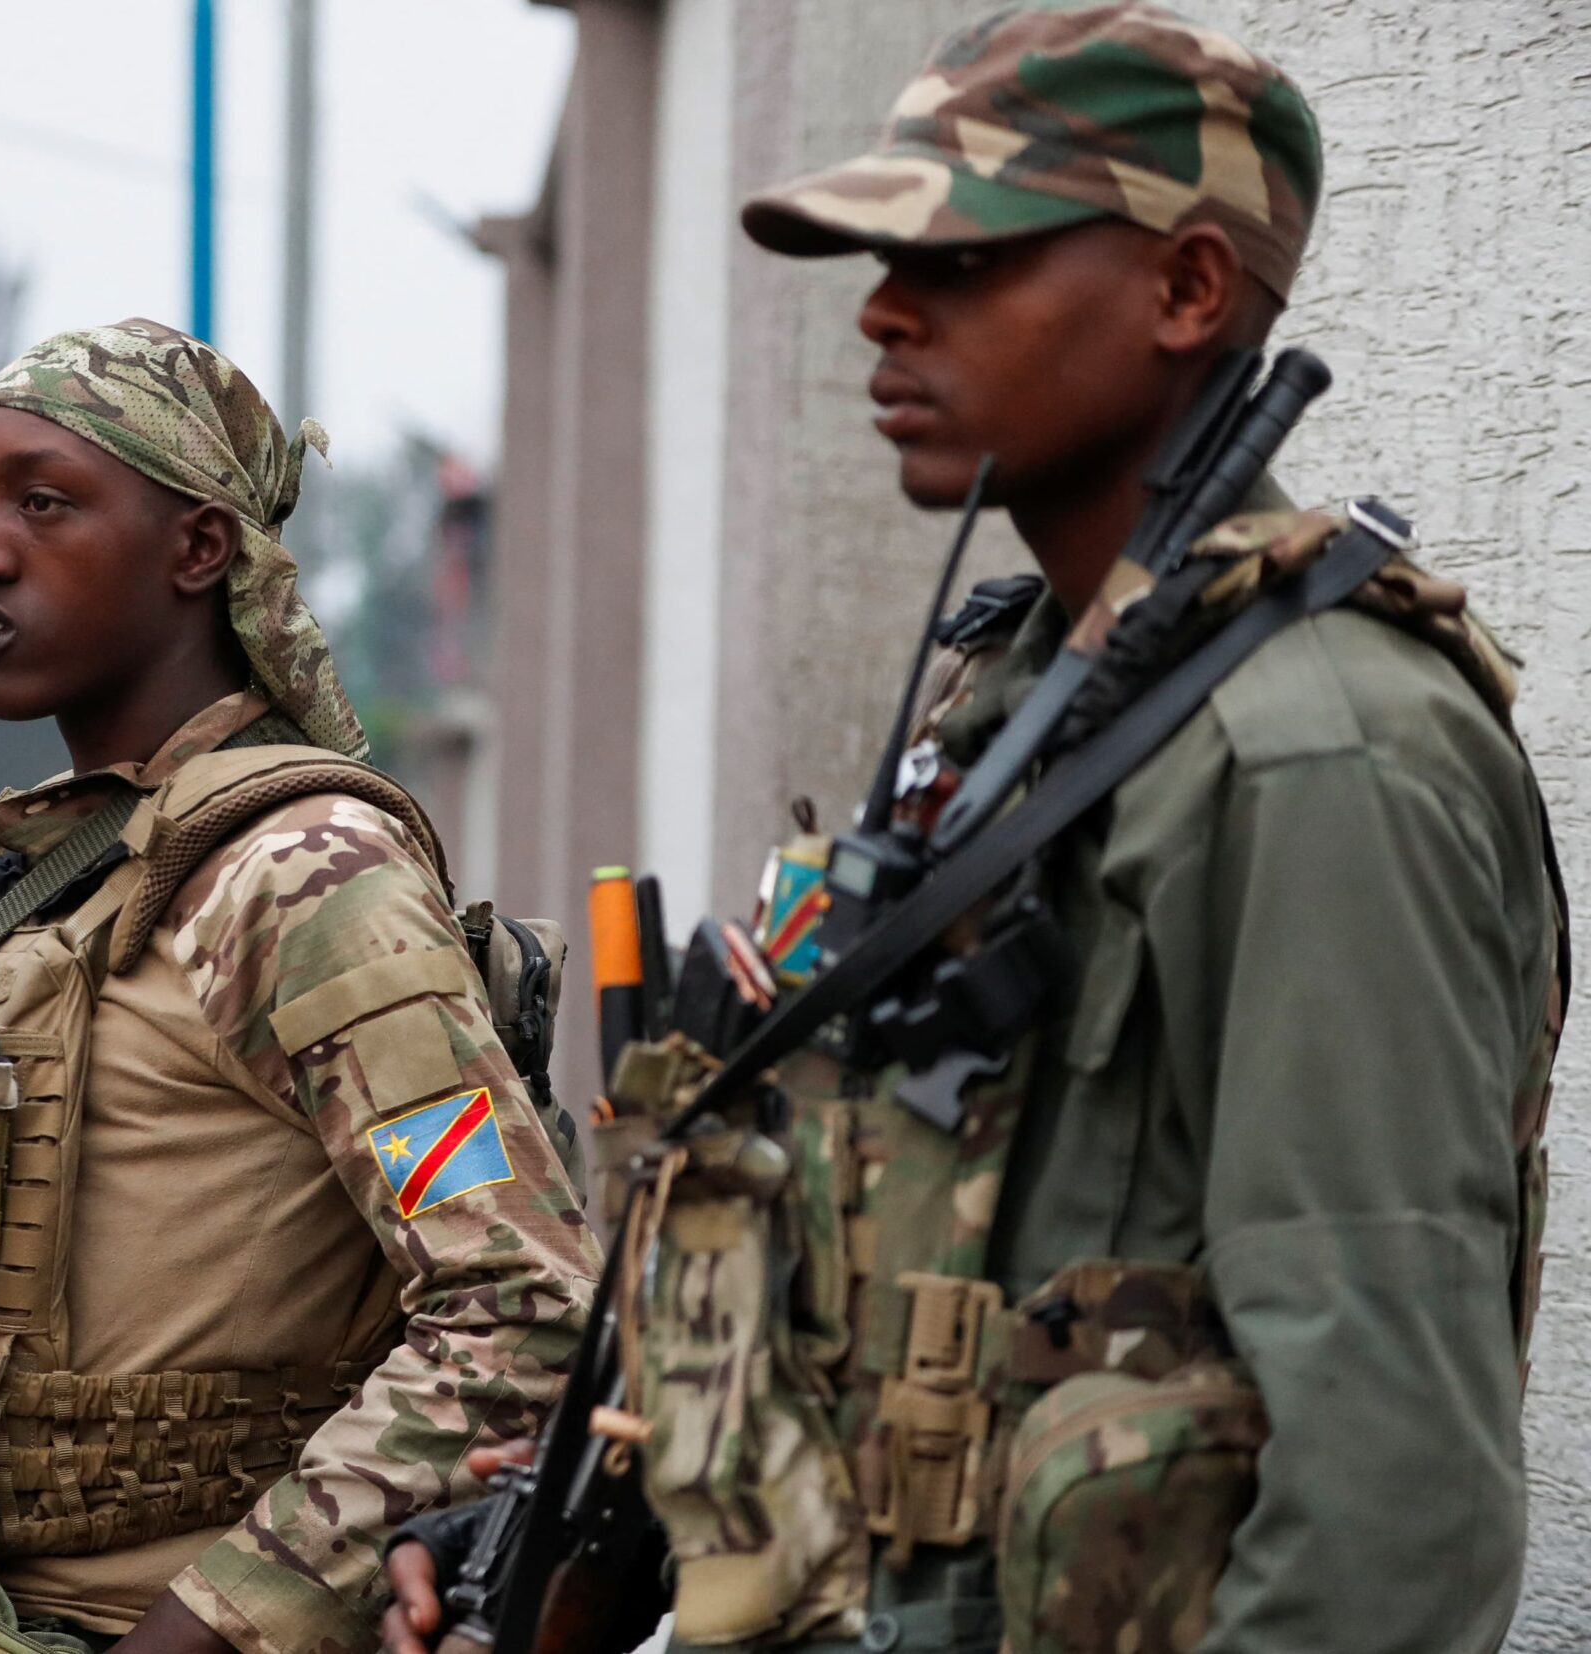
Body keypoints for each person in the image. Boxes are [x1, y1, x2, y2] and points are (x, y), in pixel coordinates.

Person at [383, 6, 1564, 1654]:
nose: (882, 309)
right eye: (885, 261)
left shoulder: (1316, 751)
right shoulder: (1018, 708)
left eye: (962, 260)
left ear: (1188, 288)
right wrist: (558, 1536)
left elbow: (1390, 1507)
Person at [0, 318, 601, 1654]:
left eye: (43, 502)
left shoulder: (308, 882)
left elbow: (520, 1305)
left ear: (199, 548)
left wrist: (203, 1627)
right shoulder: (63, 878)